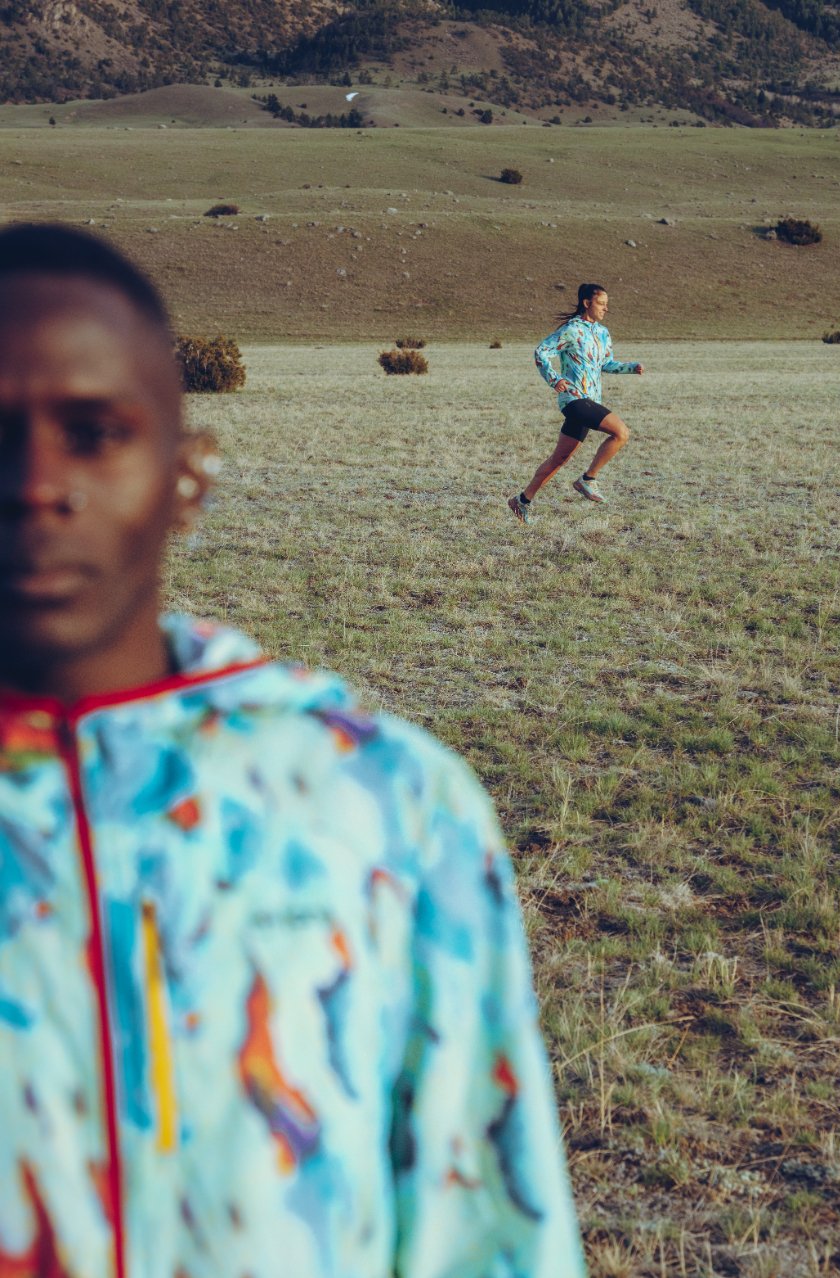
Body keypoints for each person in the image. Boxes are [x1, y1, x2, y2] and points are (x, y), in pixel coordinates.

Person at [0, 224, 586, 1278]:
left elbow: (485, 1228)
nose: (35, 483)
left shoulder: (385, 802)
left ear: (186, 477)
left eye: (93, 432)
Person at [508, 283, 644, 523]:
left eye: (606, 304)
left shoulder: (603, 333)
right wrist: (554, 378)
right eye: (601, 303)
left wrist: (631, 368)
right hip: (574, 399)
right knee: (621, 432)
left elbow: (606, 364)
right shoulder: (571, 330)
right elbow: (541, 352)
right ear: (587, 303)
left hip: (590, 400)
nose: (606, 308)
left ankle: (522, 500)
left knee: (559, 459)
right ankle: (588, 479)